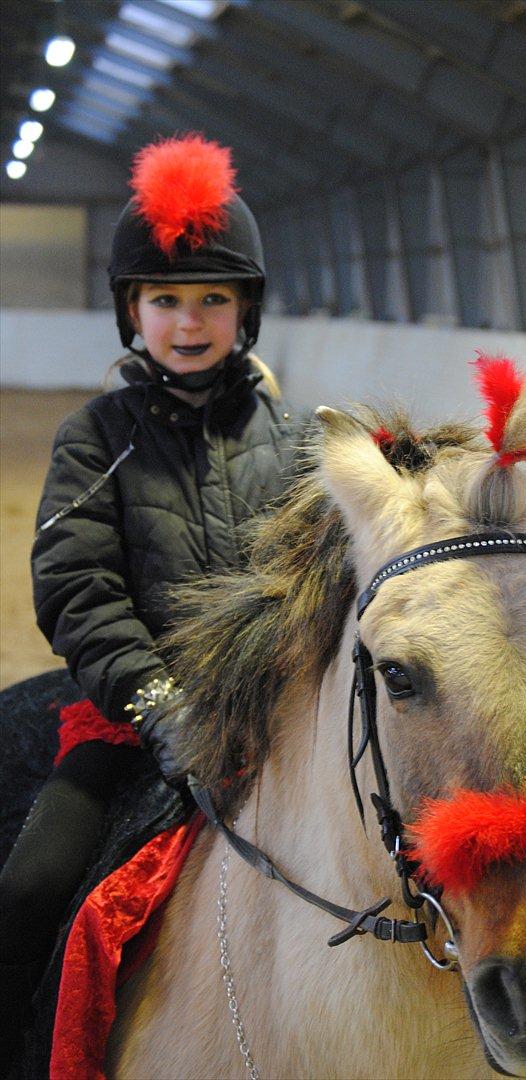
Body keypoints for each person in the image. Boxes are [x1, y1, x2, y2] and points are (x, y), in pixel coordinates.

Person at [0, 134, 297, 1071]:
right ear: (133, 310)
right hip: (134, 716)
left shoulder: (291, 443)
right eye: (166, 300)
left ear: (244, 310)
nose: (189, 320)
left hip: (269, 716)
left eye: (213, 299)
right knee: (32, 884)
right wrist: (163, 708)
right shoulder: (96, 438)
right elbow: (77, 589)